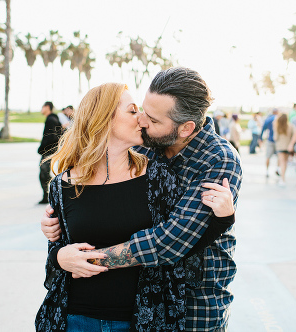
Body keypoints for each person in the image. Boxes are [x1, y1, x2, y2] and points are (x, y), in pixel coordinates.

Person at [40, 67, 243, 331]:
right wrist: (57, 242)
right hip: (89, 311)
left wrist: (87, 260)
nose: (143, 121)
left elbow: (171, 240)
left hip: (195, 298)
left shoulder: (218, 160)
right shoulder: (142, 146)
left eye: (153, 119)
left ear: (185, 129)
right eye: (140, 110)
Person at [38, 101, 63, 204]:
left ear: (47, 107)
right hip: (51, 151)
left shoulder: (51, 119)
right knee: (45, 174)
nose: (41, 109)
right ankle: (49, 194)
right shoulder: (54, 118)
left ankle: (48, 195)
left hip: (49, 151)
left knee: (44, 174)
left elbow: (51, 137)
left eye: (42, 107)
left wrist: (42, 148)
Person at [274, 113, 293, 186]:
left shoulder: (278, 126)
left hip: (280, 147)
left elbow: (275, 138)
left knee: (281, 162)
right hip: (288, 146)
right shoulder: (291, 126)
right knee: (285, 163)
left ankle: (282, 178)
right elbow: (292, 136)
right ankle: (283, 177)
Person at [262, 108, 279, 180]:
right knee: (279, 156)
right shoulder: (279, 119)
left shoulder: (268, 119)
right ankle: (277, 169)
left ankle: (267, 171)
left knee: (268, 156)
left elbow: (263, 128)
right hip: (278, 140)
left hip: (270, 140)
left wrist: (261, 137)